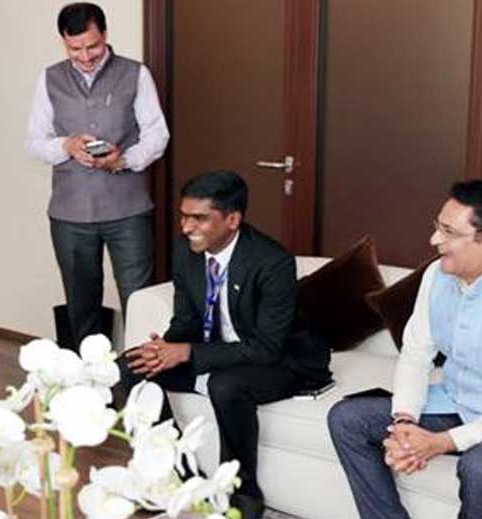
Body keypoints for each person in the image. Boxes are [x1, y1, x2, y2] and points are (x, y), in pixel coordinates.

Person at [328, 180, 482, 519]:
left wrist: (440, 442)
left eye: (449, 232)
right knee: (348, 419)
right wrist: (405, 420)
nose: (434, 240)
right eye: (437, 227)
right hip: (455, 403)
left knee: (481, 466)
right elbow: (415, 355)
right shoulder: (437, 275)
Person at [120, 171, 331, 519]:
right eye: (184, 216)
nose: (187, 227)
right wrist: (166, 347)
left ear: (232, 220)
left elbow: (266, 347)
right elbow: (187, 319)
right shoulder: (185, 250)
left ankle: (241, 493)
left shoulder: (272, 262)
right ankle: (178, 476)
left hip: (283, 361)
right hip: (219, 351)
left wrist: (188, 352)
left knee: (226, 385)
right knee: (131, 367)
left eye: (199, 218)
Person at [27, 2, 169, 348]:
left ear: (105, 34)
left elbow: (157, 134)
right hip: (69, 213)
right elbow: (35, 142)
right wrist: (67, 145)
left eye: (92, 46)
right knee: (81, 302)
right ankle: (89, 376)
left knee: (139, 299)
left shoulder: (135, 74)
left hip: (128, 211)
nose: (85, 56)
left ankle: (140, 376)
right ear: (63, 41)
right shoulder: (49, 78)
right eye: (75, 49)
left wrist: (124, 160)